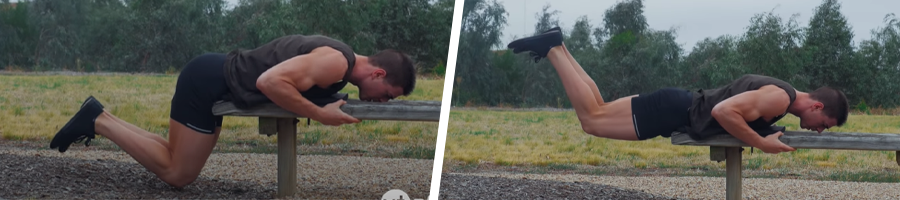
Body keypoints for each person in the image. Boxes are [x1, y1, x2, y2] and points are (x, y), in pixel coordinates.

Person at [49, 34, 418, 187]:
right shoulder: (336, 63)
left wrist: (320, 104)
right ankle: (98, 121)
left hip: (213, 74)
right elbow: (270, 84)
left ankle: (101, 115)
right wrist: (321, 114)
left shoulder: (339, 60)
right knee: (179, 173)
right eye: (387, 94)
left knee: (176, 159)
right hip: (208, 81)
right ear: (378, 73)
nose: (382, 102)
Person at [506, 27, 849, 154]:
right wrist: (762, 142)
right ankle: (553, 51)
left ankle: (559, 47)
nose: (820, 130)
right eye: (825, 124)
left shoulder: (782, 98)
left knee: (597, 106)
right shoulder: (780, 98)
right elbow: (722, 112)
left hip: (676, 103)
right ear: (817, 106)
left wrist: (764, 132)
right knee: (591, 120)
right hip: (673, 111)